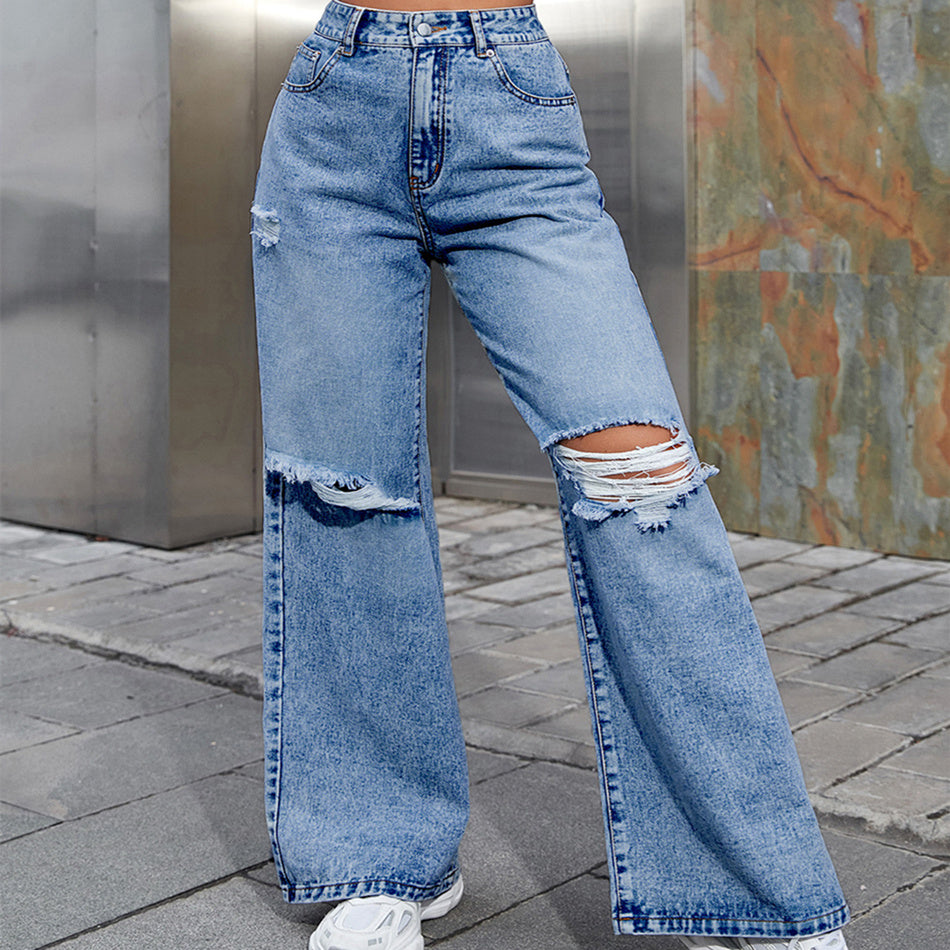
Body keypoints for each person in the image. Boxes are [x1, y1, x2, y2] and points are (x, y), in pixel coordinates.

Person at [250, 3, 852, 949]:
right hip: (333, 113)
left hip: (509, 104)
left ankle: (744, 889)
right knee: (343, 492)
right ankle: (377, 853)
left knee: (644, 485)